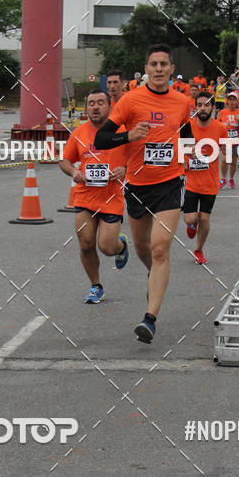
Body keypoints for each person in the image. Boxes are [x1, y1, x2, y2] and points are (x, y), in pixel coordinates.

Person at [94, 43, 193, 343]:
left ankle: (149, 319)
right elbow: (101, 139)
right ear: (146, 69)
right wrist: (129, 135)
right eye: (154, 64)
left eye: (164, 64)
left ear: (172, 69)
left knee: (160, 248)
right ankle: (155, 277)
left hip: (170, 183)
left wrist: (189, 156)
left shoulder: (182, 102)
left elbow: (187, 134)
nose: (159, 69)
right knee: (142, 248)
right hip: (137, 186)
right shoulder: (130, 100)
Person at [60, 90, 129, 302]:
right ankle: (96, 286)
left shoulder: (122, 132)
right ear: (86, 108)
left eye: (100, 103)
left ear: (109, 106)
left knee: (107, 247)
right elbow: (64, 161)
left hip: (111, 197)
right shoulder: (79, 133)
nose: (96, 107)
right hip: (85, 196)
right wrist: (74, 171)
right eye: (91, 103)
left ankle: (121, 245)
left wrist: (125, 169)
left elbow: (138, 157)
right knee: (86, 243)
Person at [182, 91, 222, 264]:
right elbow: (178, 147)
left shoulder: (220, 128)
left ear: (213, 107)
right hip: (190, 181)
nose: (203, 108)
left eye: (206, 105)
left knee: (205, 218)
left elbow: (226, 150)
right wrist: (183, 160)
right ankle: (193, 224)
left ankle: (198, 250)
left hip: (210, 182)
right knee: (190, 219)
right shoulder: (187, 127)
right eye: (199, 105)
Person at [217, 91, 239, 188]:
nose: (232, 101)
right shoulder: (222, 112)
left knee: (233, 162)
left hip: (235, 140)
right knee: (224, 160)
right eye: (230, 99)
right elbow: (217, 125)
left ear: (237, 101)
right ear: (227, 101)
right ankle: (223, 178)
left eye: (233, 99)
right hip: (225, 140)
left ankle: (231, 179)